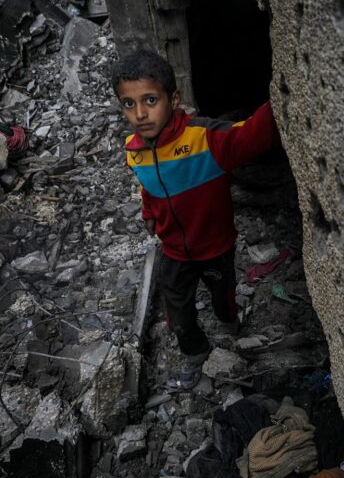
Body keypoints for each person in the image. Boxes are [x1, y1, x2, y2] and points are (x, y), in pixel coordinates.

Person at [113, 49, 277, 390]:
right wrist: (148, 213)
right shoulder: (135, 150)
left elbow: (254, 134)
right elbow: (149, 187)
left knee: (223, 295)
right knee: (179, 314)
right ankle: (195, 351)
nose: (140, 113)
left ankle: (229, 322)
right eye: (129, 104)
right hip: (173, 249)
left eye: (150, 100)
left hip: (215, 245)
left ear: (173, 100)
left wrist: (283, 93)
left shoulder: (205, 139)